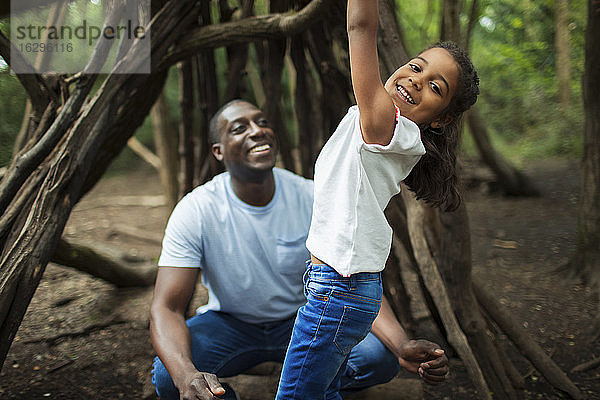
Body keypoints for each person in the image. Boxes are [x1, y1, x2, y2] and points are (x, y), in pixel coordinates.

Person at [150, 99, 449, 400]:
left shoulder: (311, 196)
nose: (258, 131)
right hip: (228, 324)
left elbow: (352, 279)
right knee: (169, 377)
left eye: (263, 122)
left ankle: (301, 382)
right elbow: (167, 307)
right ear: (218, 151)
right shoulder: (196, 210)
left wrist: (400, 345)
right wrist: (186, 374)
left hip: (306, 321)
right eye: (240, 128)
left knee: (377, 359)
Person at [274, 0, 480, 398]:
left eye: (436, 87)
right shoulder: (383, 128)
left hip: (337, 292)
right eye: (417, 66)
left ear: (441, 119)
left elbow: (360, 28)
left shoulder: (385, 126)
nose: (418, 79)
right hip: (342, 290)